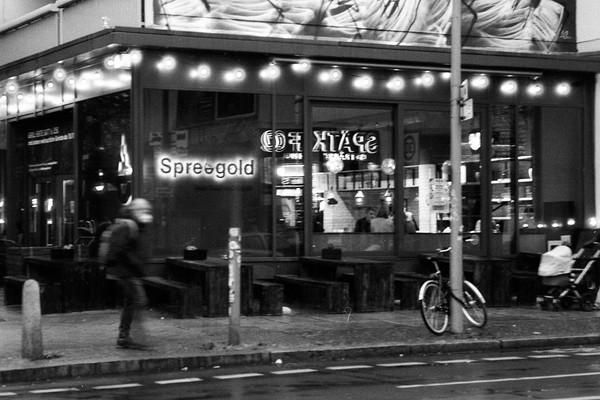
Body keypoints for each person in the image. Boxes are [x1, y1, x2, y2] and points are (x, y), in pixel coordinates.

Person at [104, 198, 154, 350]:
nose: (146, 213)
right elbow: (121, 250)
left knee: (132, 302)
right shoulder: (128, 225)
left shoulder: (137, 225)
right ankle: (132, 337)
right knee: (138, 301)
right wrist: (136, 264)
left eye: (147, 210)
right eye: (142, 210)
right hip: (127, 272)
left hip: (131, 272)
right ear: (135, 210)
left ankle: (125, 336)